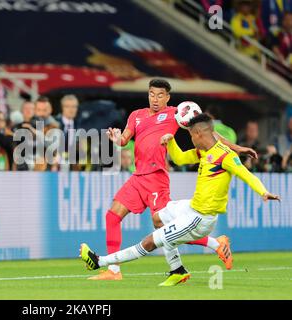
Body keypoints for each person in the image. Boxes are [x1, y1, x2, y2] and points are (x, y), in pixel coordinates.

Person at [80, 113, 280, 285]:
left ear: (199, 134)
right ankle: (180, 270)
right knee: (159, 217)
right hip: (190, 208)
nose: (191, 139)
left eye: (191, 135)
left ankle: (99, 262)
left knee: (151, 241)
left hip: (201, 218)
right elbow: (180, 159)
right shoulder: (203, 151)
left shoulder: (225, 156)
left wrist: (263, 192)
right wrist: (171, 142)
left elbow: (246, 174)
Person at [94, 79, 256, 282]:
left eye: (160, 95)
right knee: (112, 216)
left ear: (167, 97)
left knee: (163, 225)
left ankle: (215, 244)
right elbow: (125, 139)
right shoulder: (136, 116)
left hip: (156, 177)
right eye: (152, 94)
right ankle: (114, 271)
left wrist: (238, 148)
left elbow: (207, 134)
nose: (155, 99)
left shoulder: (174, 114)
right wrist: (116, 138)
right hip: (138, 177)